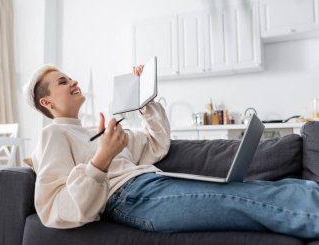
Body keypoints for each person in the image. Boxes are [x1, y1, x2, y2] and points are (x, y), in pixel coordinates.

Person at [24, 64, 319, 239]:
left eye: (70, 77)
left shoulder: (95, 130)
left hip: (151, 184)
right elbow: (55, 209)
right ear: (47, 103)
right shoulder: (53, 134)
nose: (73, 81)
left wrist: (144, 101)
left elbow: (156, 143)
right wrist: (101, 159)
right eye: (63, 82)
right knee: (242, 199)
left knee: (270, 188)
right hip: (130, 198)